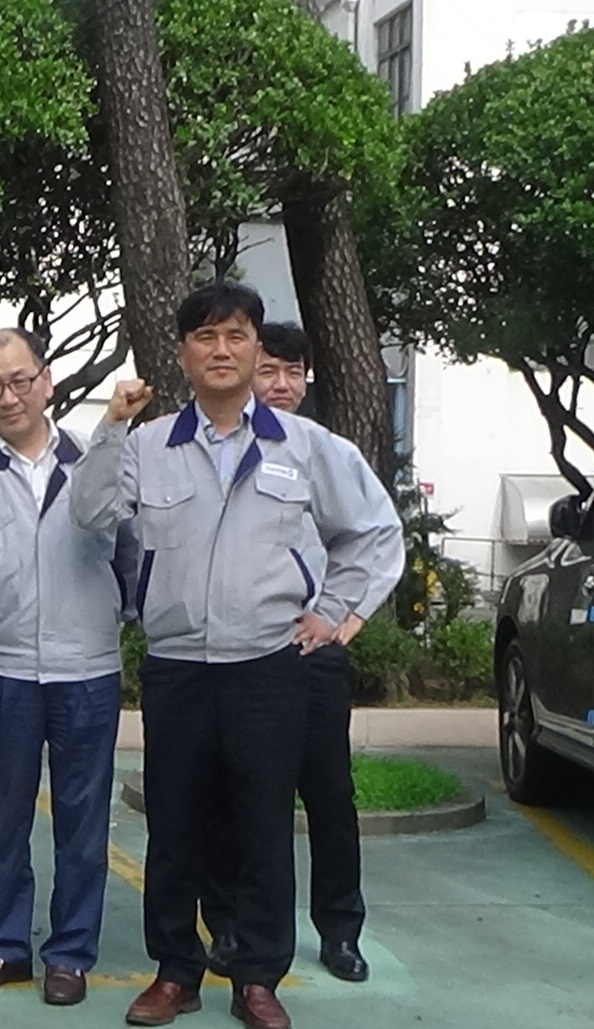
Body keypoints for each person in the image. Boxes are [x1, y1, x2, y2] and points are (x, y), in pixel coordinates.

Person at [68, 281, 402, 1029]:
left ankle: (257, 978)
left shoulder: (306, 446)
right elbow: (89, 511)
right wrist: (111, 426)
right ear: (183, 353)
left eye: (236, 335)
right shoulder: (149, 445)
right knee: (174, 825)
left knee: (262, 826)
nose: (221, 350)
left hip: (267, 664)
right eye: (206, 337)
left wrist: (336, 613)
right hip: (178, 665)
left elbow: (375, 532)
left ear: (256, 350)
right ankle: (175, 972)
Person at [0, 329, 139, 1008]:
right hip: (7, 667)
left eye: (19, 381)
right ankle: (6, 946)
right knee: (4, 816)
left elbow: (125, 541)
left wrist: (121, 615)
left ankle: (70, 953)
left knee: (83, 819)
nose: (8, 396)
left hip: (87, 667)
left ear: (47, 383)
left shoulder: (97, 456)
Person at [200, 321, 398, 984]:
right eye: (269, 370)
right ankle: (229, 925)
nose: (281, 384)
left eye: (293, 372)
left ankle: (340, 930)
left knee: (329, 796)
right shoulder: (214, 451)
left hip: (309, 656)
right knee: (233, 798)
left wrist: (342, 617)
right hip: (235, 656)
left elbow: (377, 533)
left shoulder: (323, 451)